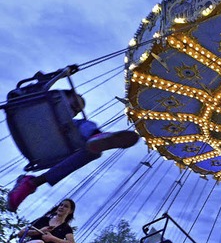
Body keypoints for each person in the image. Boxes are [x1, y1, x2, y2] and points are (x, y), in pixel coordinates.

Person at [7, 90, 139, 212]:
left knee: (93, 151)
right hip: (36, 122)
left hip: (47, 143)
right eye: (75, 104)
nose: (75, 110)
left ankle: (31, 183)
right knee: (83, 124)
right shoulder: (44, 102)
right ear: (64, 96)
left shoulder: (69, 124)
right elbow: (16, 94)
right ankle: (96, 135)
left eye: (77, 110)